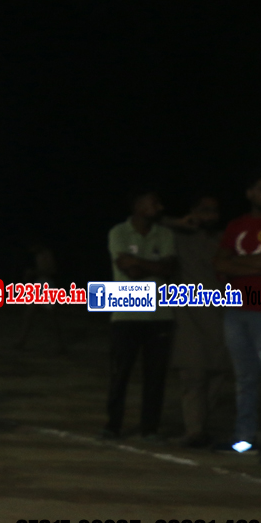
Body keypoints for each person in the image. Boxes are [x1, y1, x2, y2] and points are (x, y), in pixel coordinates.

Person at [213, 174, 261, 465]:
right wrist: (255, 268)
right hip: (238, 305)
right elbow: (218, 262)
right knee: (245, 377)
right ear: (250, 193)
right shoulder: (237, 225)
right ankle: (244, 438)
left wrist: (236, 265)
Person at [104, 189, 177, 441]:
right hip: (125, 312)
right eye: (153, 202)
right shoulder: (118, 232)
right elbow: (129, 270)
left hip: (160, 314)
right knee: (120, 373)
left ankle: (150, 428)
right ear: (137, 205)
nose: (159, 207)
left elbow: (168, 269)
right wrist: (155, 267)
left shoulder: (165, 234)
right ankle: (112, 425)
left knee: (155, 376)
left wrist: (137, 262)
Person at [164, 195, 232, 448]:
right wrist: (180, 222)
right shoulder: (178, 237)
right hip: (189, 318)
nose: (209, 215)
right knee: (192, 374)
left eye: (213, 210)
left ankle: (200, 428)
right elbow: (150, 221)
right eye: (204, 210)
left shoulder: (224, 239)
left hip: (221, 315)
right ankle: (194, 430)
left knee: (217, 373)